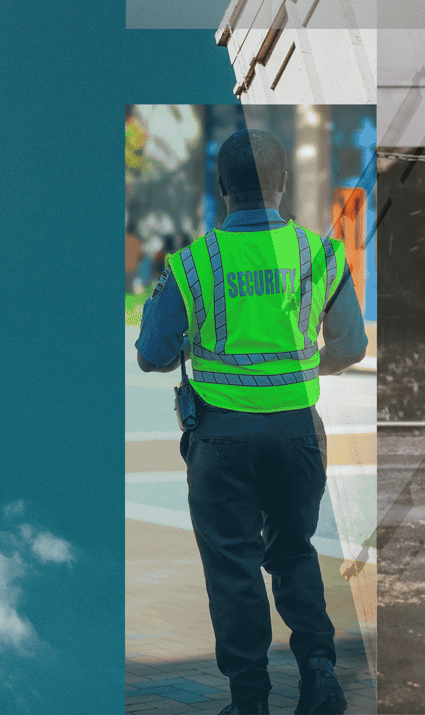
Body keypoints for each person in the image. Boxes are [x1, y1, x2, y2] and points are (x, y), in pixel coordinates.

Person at [135, 128, 367, 715]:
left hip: (221, 444)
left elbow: (152, 354)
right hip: (296, 434)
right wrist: (302, 367)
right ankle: (318, 671)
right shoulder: (319, 254)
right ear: (283, 184)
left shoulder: (192, 264)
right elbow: (351, 344)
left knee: (232, 570)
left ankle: (249, 701)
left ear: (221, 189)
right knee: (293, 553)